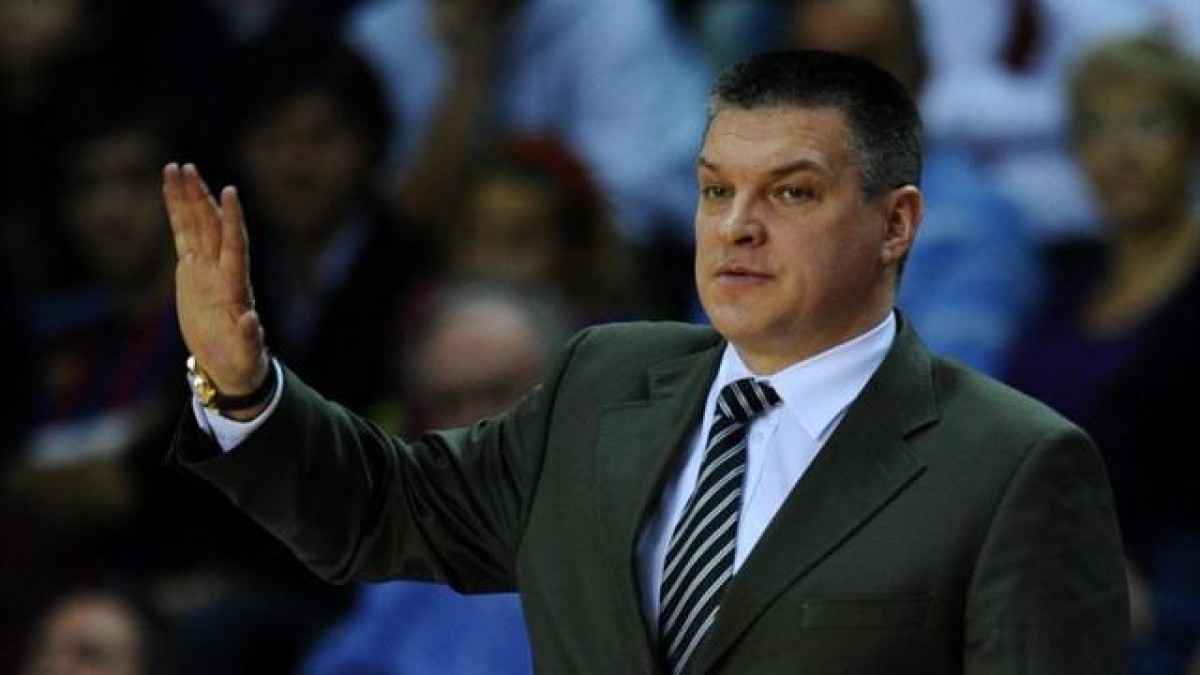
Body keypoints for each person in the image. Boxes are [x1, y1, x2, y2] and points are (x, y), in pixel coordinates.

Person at [162, 50, 1127, 672]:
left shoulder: (1013, 464)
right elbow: (384, 509)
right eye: (714, 191)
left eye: (790, 193)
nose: (736, 227)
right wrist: (243, 388)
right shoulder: (604, 380)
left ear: (896, 223)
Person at [1004, 35, 1200, 675]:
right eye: (1096, 128)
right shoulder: (1065, 273)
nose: (1121, 153)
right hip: (1042, 567)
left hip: (1166, 591)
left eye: (1149, 123)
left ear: (1192, 139)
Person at [303, 281, 565, 675]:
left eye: (498, 392)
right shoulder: (408, 545)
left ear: (562, 394)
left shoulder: (620, 526)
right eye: (450, 402)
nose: (475, 420)